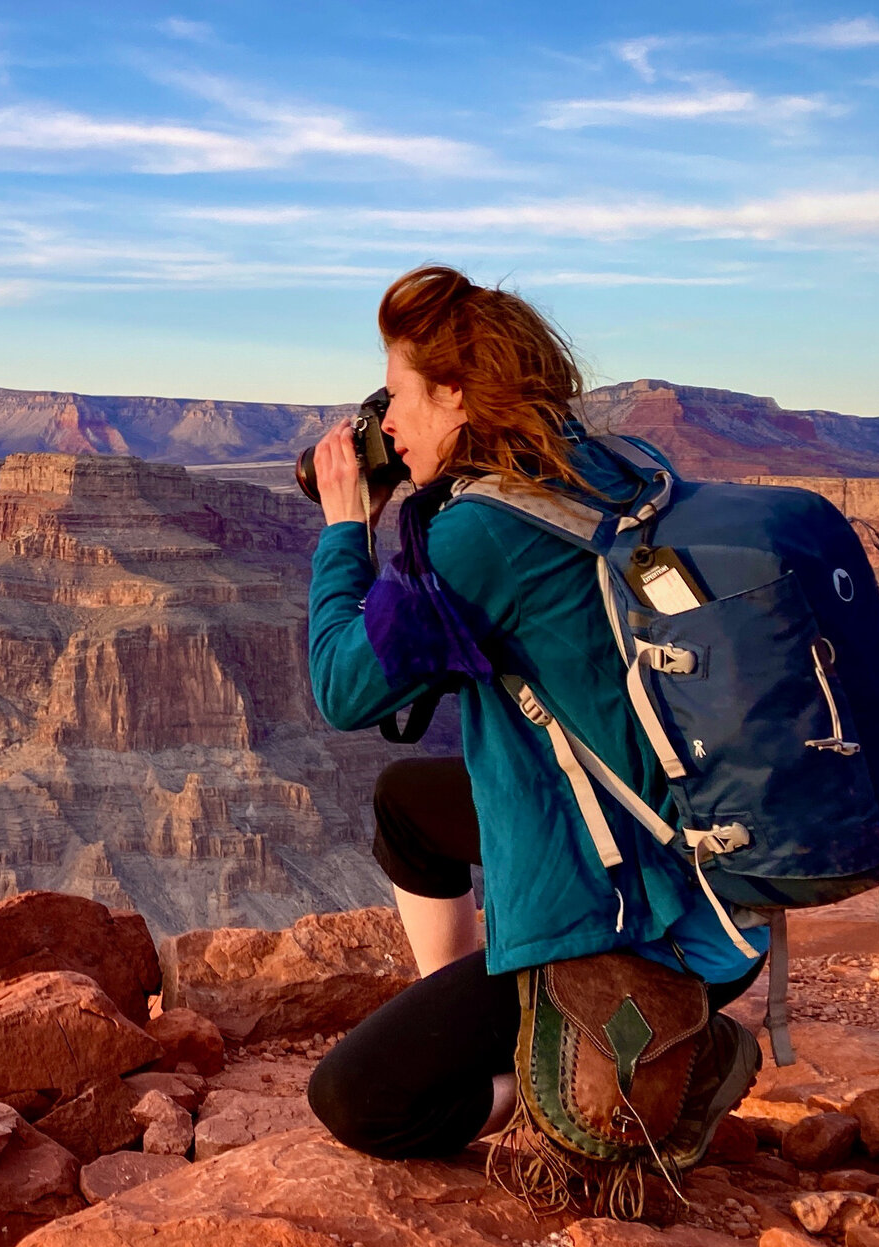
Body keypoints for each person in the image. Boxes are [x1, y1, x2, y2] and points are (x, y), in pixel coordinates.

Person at [303, 265, 763, 1164]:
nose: (385, 423)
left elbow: (343, 688)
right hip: (698, 860)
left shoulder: (485, 535)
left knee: (358, 1103)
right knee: (408, 803)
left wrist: (342, 529)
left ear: (458, 395)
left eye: (396, 395)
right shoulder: (609, 469)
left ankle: (641, 1058)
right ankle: (505, 1019)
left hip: (630, 913)